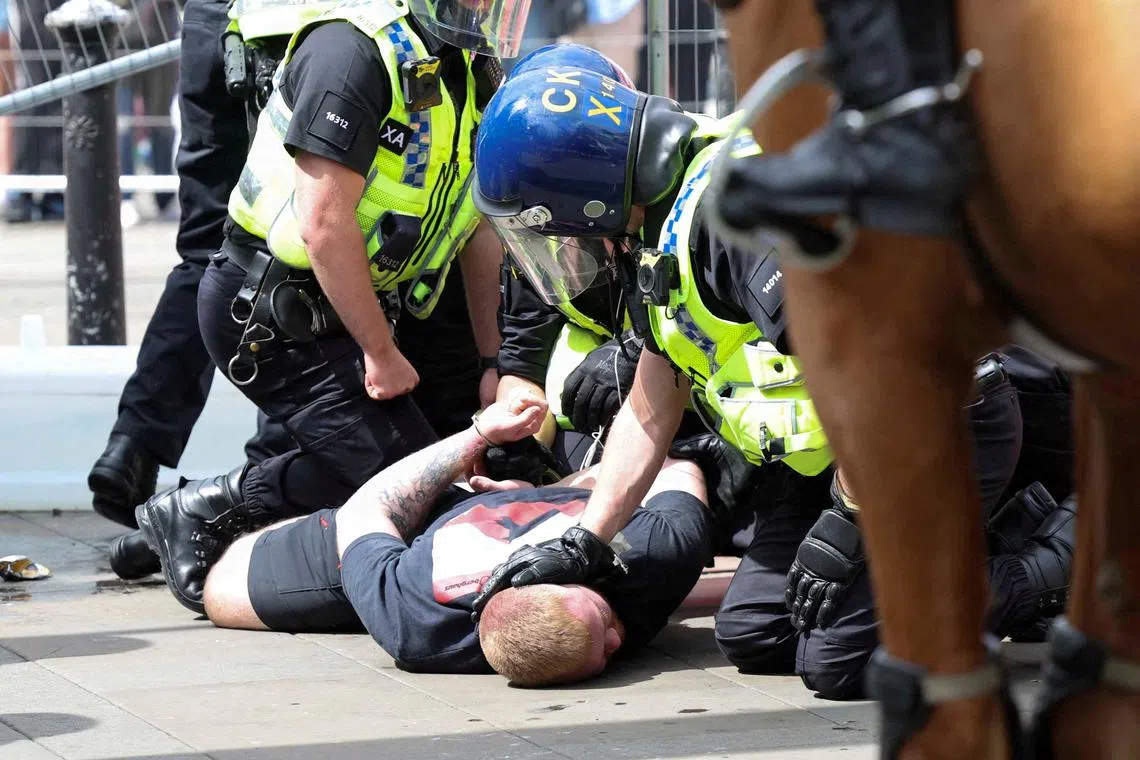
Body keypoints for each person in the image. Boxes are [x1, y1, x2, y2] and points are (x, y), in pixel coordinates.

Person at [467, 52, 1077, 665]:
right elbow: (651, 406)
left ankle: (1060, 559)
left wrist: (846, 521)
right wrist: (584, 541)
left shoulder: (738, 223)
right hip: (838, 453)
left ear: (585, 197)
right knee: (759, 631)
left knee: (838, 654)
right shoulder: (653, 224)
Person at [135, 0, 526, 615]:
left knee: (440, 468)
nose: (489, 12)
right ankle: (204, 510)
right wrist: (381, 352)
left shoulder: (468, 69)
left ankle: (215, 508)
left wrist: (490, 361)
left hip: (352, 309)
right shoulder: (351, 50)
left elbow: (474, 229)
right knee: (424, 492)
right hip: (272, 316)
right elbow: (323, 222)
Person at [201, 390, 716, 686]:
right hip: (543, 500)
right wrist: (498, 451)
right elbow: (675, 471)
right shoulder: (657, 554)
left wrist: (494, 449)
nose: (618, 638)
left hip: (443, 514)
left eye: (603, 644)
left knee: (221, 590)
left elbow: (366, 512)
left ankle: (214, 503)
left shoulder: (416, 620)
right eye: (607, 630)